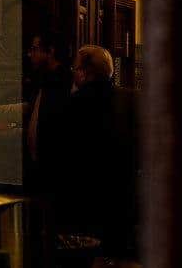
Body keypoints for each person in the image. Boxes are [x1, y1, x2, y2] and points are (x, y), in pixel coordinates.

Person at [59, 45, 140, 256]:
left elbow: (63, 157)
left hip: (84, 203)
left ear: (84, 72)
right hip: (124, 199)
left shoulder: (72, 105)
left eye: (75, 68)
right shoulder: (134, 100)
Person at [23, 31, 72, 191]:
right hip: (37, 164)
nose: (30, 54)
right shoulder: (42, 77)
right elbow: (31, 109)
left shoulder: (63, 81)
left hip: (53, 168)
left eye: (34, 49)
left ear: (50, 51)